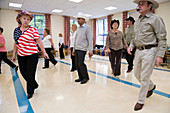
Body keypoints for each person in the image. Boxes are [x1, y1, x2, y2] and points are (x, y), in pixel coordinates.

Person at [127, 0, 167, 111]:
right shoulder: (138, 20)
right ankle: (151, 86)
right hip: (139, 51)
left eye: (142, 3)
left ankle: (141, 100)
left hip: (150, 50)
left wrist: (160, 55)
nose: (139, 6)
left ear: (150, 6)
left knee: (144, 76)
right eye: (138, 4)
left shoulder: (156, 19)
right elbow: (135, 37)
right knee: (136, 73)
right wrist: (131, 45)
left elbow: (162, 38)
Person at [12, 10, 49, 99]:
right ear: (20, 19)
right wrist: (14, 54)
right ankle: (34, 84)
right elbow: (16, 43)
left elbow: (39, 41)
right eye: (24, 18)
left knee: (30, 74)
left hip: (32, 55)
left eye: (28, 19)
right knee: (23, 72)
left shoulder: (33, 30)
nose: (26, 20)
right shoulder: (16, 31)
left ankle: (30, 91)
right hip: (21, 55)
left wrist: (44, 52)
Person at [72, 13, 93, 84]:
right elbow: (75, 39)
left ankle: (85, 77)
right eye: (77, 19)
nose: (78, 20)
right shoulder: (78, 29)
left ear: (84, 19)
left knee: (81, 63)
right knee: (77, 64)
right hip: (77, 49)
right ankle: (80, 77)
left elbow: (90, 39)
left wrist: (90, 50)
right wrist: (74, 49)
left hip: (82, 49)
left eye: (79, 19)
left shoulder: (87, 27)